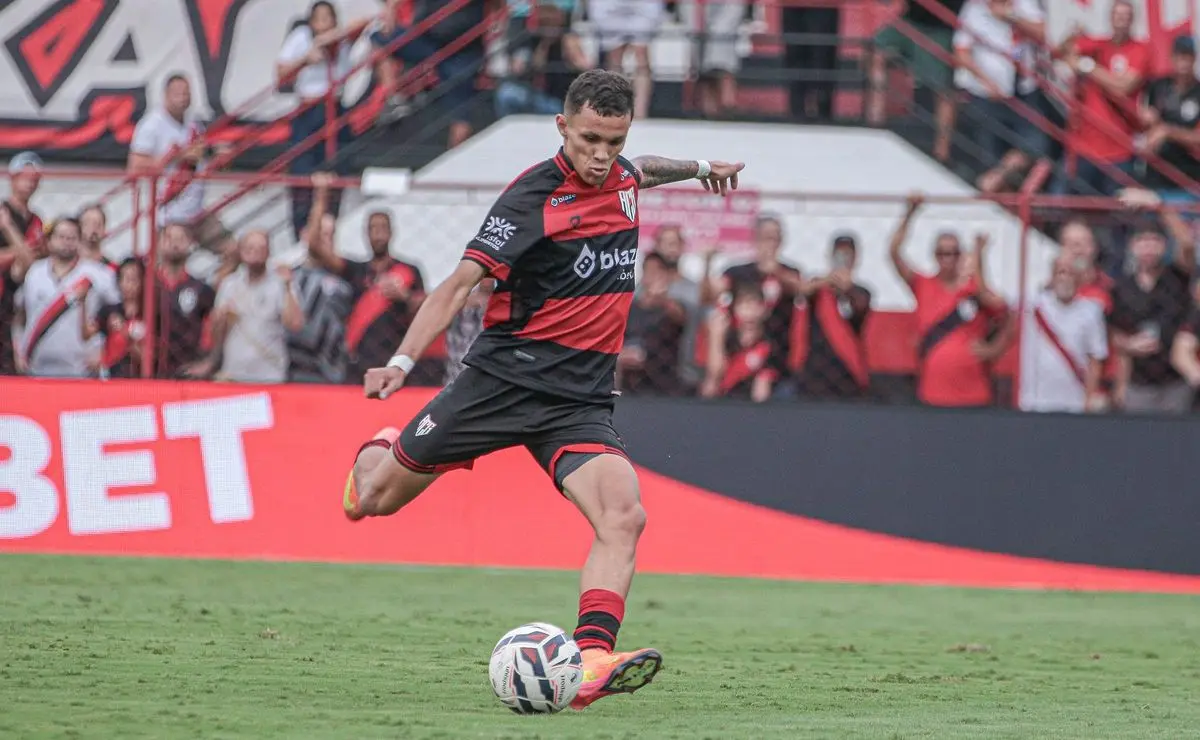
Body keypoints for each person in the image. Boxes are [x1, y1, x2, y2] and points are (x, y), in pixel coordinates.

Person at [341, 69, 743, 709]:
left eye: (613, 141)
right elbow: (457, 286)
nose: (602, 156)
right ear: (563, 127)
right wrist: (401, 359)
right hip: (499, 384)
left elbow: (644, 168)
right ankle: (378, 450)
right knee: (373, 500)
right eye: (589, 140)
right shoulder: (531, 199)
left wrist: (699, 168)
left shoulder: (622, 176)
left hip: (577, 402)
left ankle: (591, 660)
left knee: (624, 514)